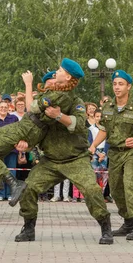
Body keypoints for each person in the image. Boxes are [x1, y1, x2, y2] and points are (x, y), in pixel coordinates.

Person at [12, 67, 114, 245]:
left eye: (55, 81)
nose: (52, 86)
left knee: (91, 190)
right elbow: (33, 131)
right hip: (50, 161)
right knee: (28, 188)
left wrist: (59, 115)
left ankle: (105, 227)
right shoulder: (42, 106)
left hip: (76, 159)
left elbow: (80, 124)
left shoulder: (76, 102)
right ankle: (28, 228)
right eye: (49, 85)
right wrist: (25, 146)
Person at [0, 66, 81, 206]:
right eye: (50, 80)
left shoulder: (55, 95)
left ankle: (14, 184)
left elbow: (30, 107)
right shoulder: (47, 94)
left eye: (54, 79)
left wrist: (28, 84)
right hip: (25, 125)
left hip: (30, 128)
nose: (52, 82)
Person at [89, 70, 133, 240]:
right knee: (115, 188)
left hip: (131, 153)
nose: (117, 87)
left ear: (129, 86)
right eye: (115, 84)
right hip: (114, 153)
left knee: (129, 184)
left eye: (121, 84)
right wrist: (92, 146)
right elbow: (103, 130)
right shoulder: (107, 108)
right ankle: (128, 221)